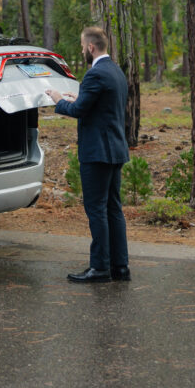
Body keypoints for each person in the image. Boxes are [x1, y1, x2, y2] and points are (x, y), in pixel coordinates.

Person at [45, 26, 130, 284]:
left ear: (91, 47)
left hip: (97, 153)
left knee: (96, 210)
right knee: (113, 209)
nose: (82, 50)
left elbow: (78, 111)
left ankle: (100, 268)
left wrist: (59, 99)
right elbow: (102, 106)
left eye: (83, 46)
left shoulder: (95, 73)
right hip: (115, 149)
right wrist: (79, 97)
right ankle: (120, 267)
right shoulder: (115, 71)